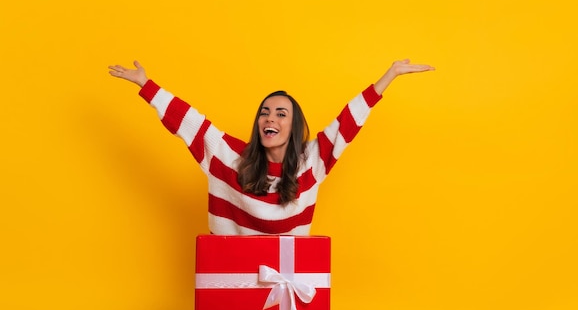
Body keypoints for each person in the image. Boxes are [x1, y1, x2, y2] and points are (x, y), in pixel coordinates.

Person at [108, 60, 434, 235]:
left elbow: (347, 123)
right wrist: (145, 85)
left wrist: (388, 76)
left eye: (281, 113)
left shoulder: (312, 161)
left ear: (292, 127)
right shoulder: (229, 155)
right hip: (231, 277)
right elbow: (188, 120)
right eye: (265, 111)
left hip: (288, 281)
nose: (270, 117)